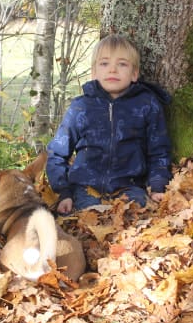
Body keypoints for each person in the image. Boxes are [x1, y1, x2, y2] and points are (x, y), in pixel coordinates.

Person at [47, 34, 172, 214]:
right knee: (86, 218)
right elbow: (57, 153)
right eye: (104, 64)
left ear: (134, 74)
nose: (112, 70)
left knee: (137, 219)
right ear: (94, 72)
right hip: (85, 188)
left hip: (129, 188)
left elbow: (159, 150)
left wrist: (158, 185)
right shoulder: (81, 107)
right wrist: (63, 192)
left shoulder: (147, 105)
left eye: (122, 64)